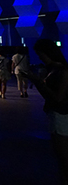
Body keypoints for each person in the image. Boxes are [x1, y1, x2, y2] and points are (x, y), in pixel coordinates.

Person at [24, 39, 68, 184]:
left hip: (61, 114)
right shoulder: (54, 69)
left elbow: (58, 98)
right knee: (60, 155)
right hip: (56, 113)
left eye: (40, 54)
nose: (40, 57)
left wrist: (38, 82)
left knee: (63, 155)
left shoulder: (61, 71)